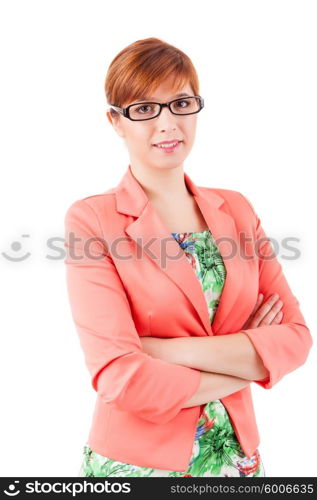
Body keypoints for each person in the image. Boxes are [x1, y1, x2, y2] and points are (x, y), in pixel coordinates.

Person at [64, 37, 313, 477]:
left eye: (180, 103)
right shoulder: (93, 219)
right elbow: (121, 379)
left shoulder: (235, 209)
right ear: (116, 122)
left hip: (237, 459)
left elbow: (294, 340)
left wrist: (161, 351)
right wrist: (248, 365)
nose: (167, 124)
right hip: (138, 464)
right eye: (144, 109)